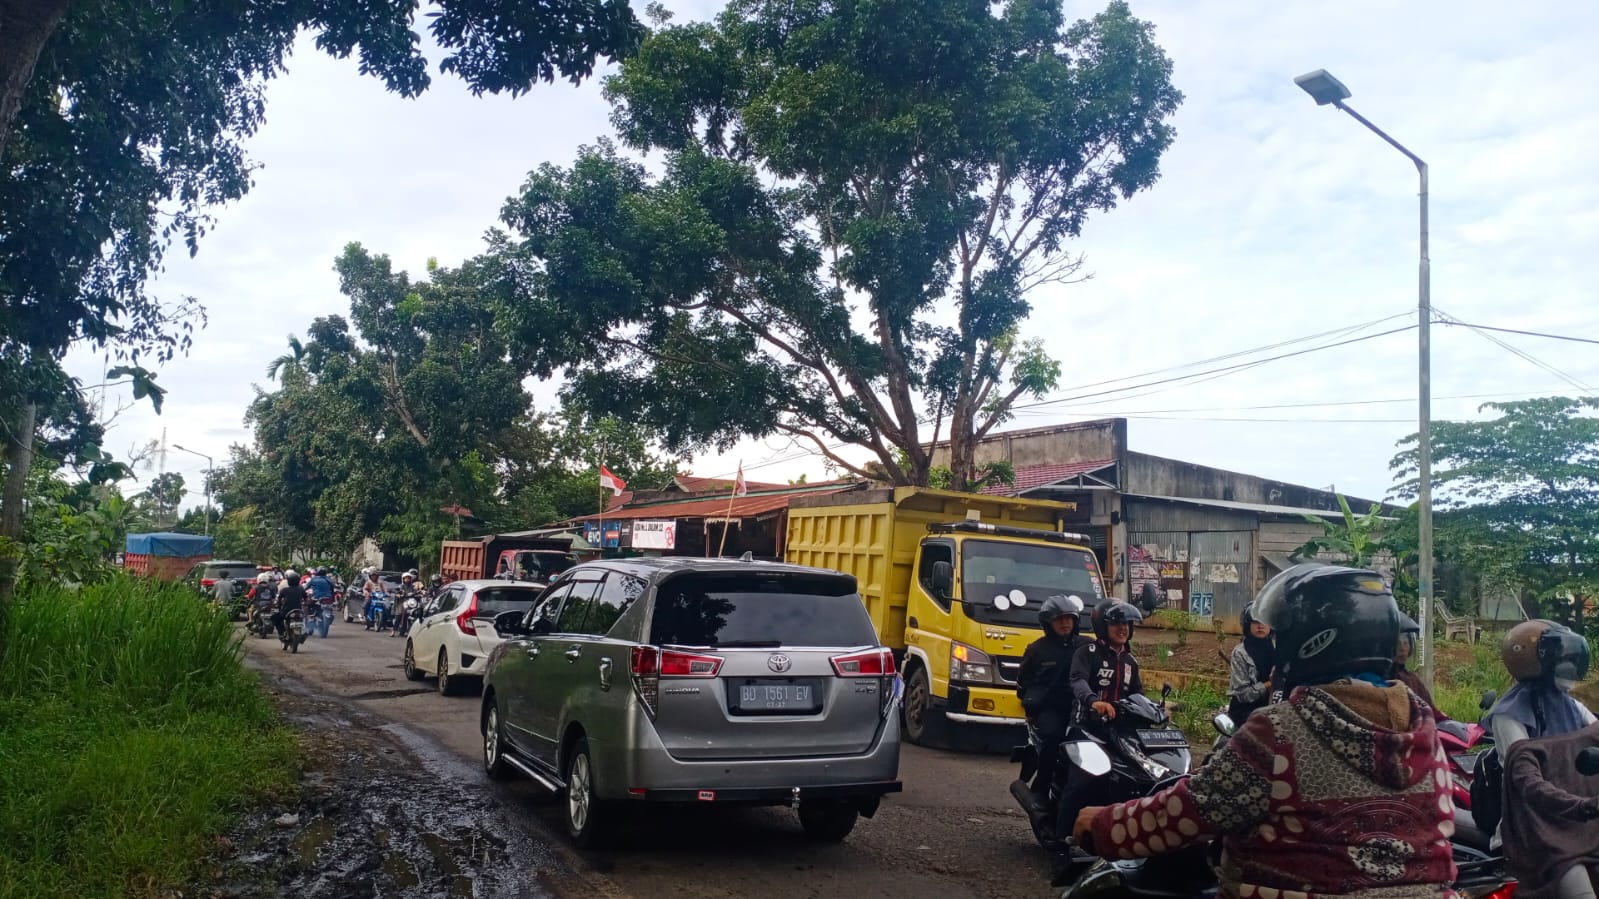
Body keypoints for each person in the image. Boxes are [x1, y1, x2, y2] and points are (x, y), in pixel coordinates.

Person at [1070, 563, 1458, 899]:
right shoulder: (1423, 726)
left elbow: (1191, 811)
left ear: (1309, 641)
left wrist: (1104, 826)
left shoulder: (1279, 731)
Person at [1050, 599, 1146, 867]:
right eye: (1117, 623)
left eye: (1126, 624)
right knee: (1082, 781)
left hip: (1118, 735)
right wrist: (1093, 701)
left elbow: (1137, 694)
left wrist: (1157, 709)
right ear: (1103, 625)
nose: (1123, 628)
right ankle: (1062, 843)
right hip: (1085, 730)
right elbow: (1076, 680)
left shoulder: (1130, 661)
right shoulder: (1087, 651)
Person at [1016, 594, 1089, 810]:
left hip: (1083, 707)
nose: (1065, 622)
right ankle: (1041, 788)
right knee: (1053, 738)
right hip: (1051, 708)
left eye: (1069, 618)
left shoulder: (1087, 646)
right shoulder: (1037, 649)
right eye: (1059, 619)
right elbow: (1024, 681)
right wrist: (1029, 710)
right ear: (1049, 623)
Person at [1227, 608, 1275, 723]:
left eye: (1265, 621)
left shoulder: (1278, 648)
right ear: (1247, 624)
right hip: (1245, 712)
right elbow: (1243, 694)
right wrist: (1269, 684)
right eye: (1256, 622)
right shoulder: (1240, 652)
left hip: (1273, 708)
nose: (1261, 626)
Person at [1392, 613, 1440, 713]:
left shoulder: (1412, 679)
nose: (1402, 648)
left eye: (1406, 643)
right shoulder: (1384, 680)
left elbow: (1433, 711)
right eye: (1398, 643)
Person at [270, 570, 307, 640]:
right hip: (299, 611)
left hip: (286, 611)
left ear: (289, 581)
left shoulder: (284, 590)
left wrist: (277, 604)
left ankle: (281, 633)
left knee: (274, 618)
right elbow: (306, 599)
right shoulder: (301, 589)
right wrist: (306, 604)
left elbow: (278, 600)